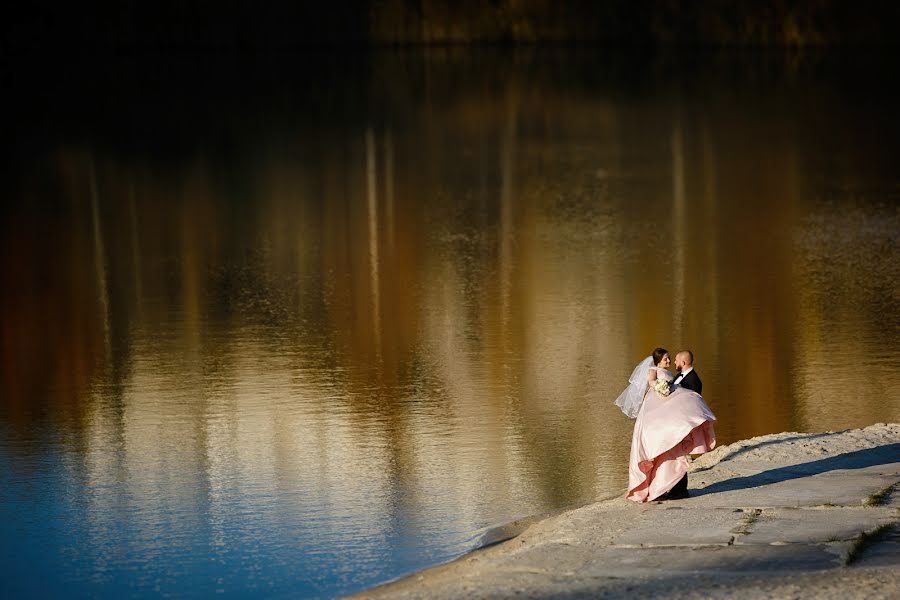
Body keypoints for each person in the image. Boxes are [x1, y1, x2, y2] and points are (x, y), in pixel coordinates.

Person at [614, 347, 716, 502]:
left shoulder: (691, 379)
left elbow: (689, 400)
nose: (670, 361)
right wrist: (658, 387)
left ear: (683, 362)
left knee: (674, 455)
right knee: (665, 454)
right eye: (666, 358)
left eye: (671, 359)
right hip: (662, 422)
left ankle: (676, 490)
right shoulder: (659, 374)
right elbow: (658, 390)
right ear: (658, 361)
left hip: (677, 424)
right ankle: (667, 488)